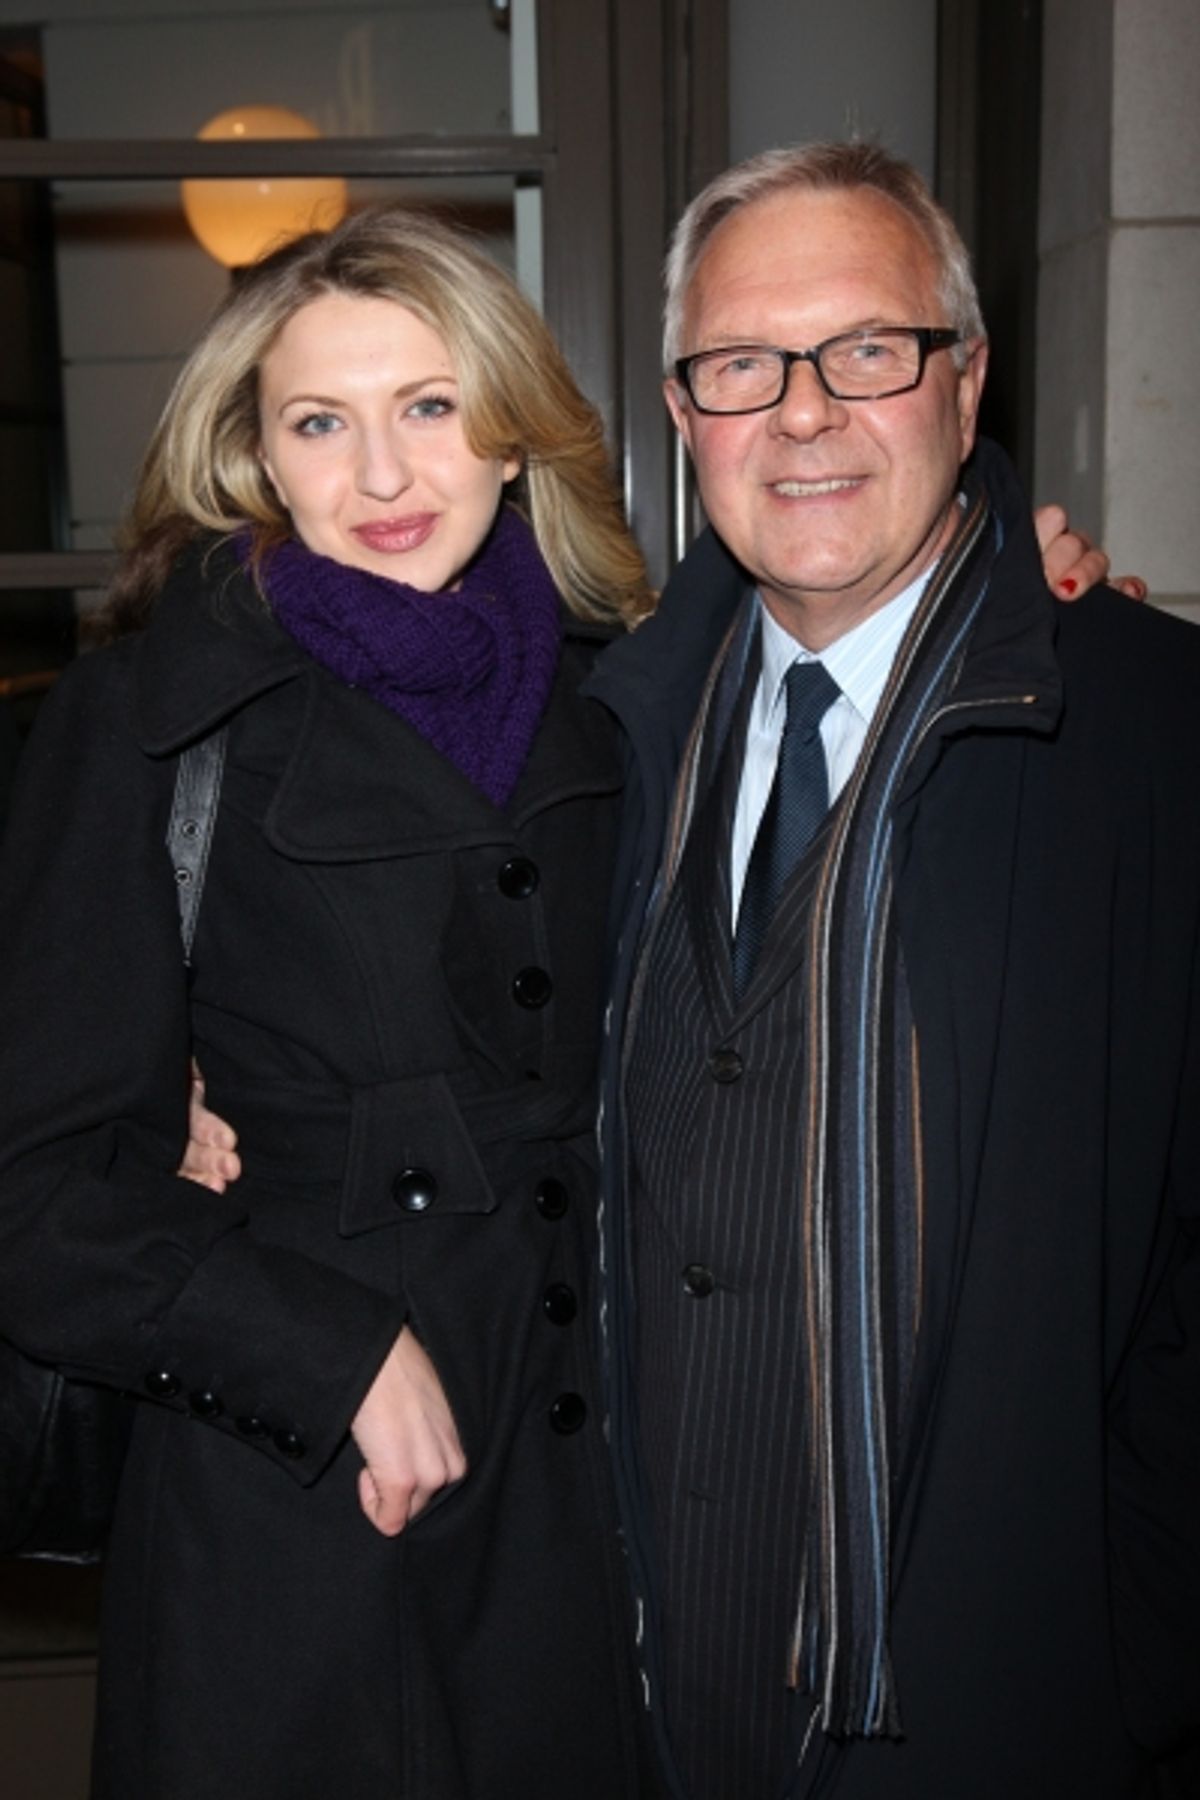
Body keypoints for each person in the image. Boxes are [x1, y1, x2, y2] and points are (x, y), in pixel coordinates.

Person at [0, 205, 656, 1799]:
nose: (380, 476)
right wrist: (329, 1349)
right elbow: (35, 1198)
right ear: (259, 460)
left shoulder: (631, 691)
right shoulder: (156, 722)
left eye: (431, 407)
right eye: (320, 422)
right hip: (292, 1518)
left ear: (514, 437)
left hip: (590, 1512)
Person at [573, 142, 1200, 1800]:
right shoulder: (601, 745)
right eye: (741, 365)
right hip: (638, 1695)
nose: (800, 413)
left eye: (867, 350)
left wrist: (1138, 1651)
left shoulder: (1151, 737)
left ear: (968, 376)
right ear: (681, 409)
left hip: (1001, 1706)